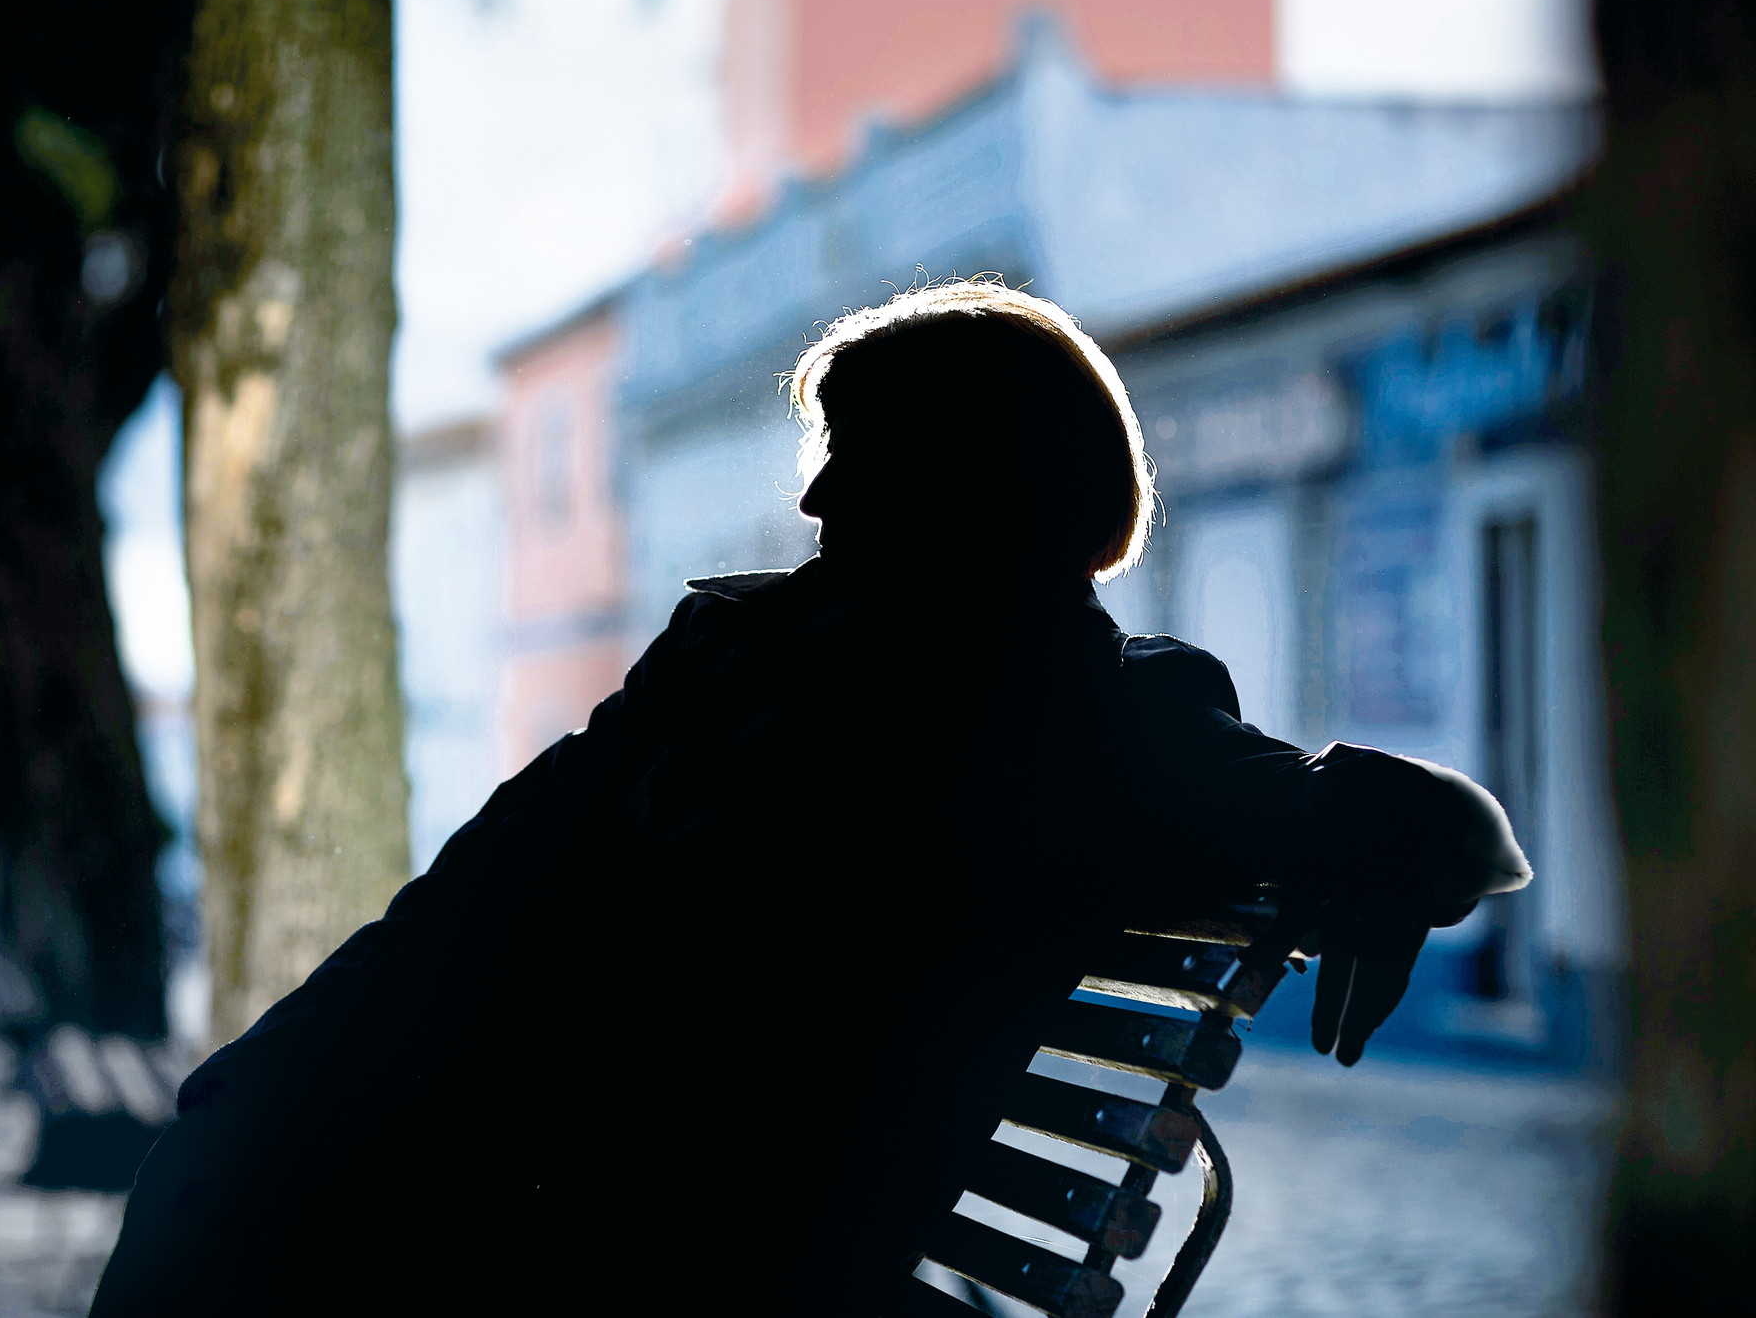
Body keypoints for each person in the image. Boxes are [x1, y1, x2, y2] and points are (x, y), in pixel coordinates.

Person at [91, 280, 1530, 1317]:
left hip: (657, 1243)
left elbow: (1446, 828)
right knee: (223, 1164)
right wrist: (285, 1077)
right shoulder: (735, 651)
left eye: (866, 451)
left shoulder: (1098, 710)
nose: (821, 497)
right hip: (533, 1176)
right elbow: (479, 890)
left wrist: (1391, 855)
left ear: (990, 479)